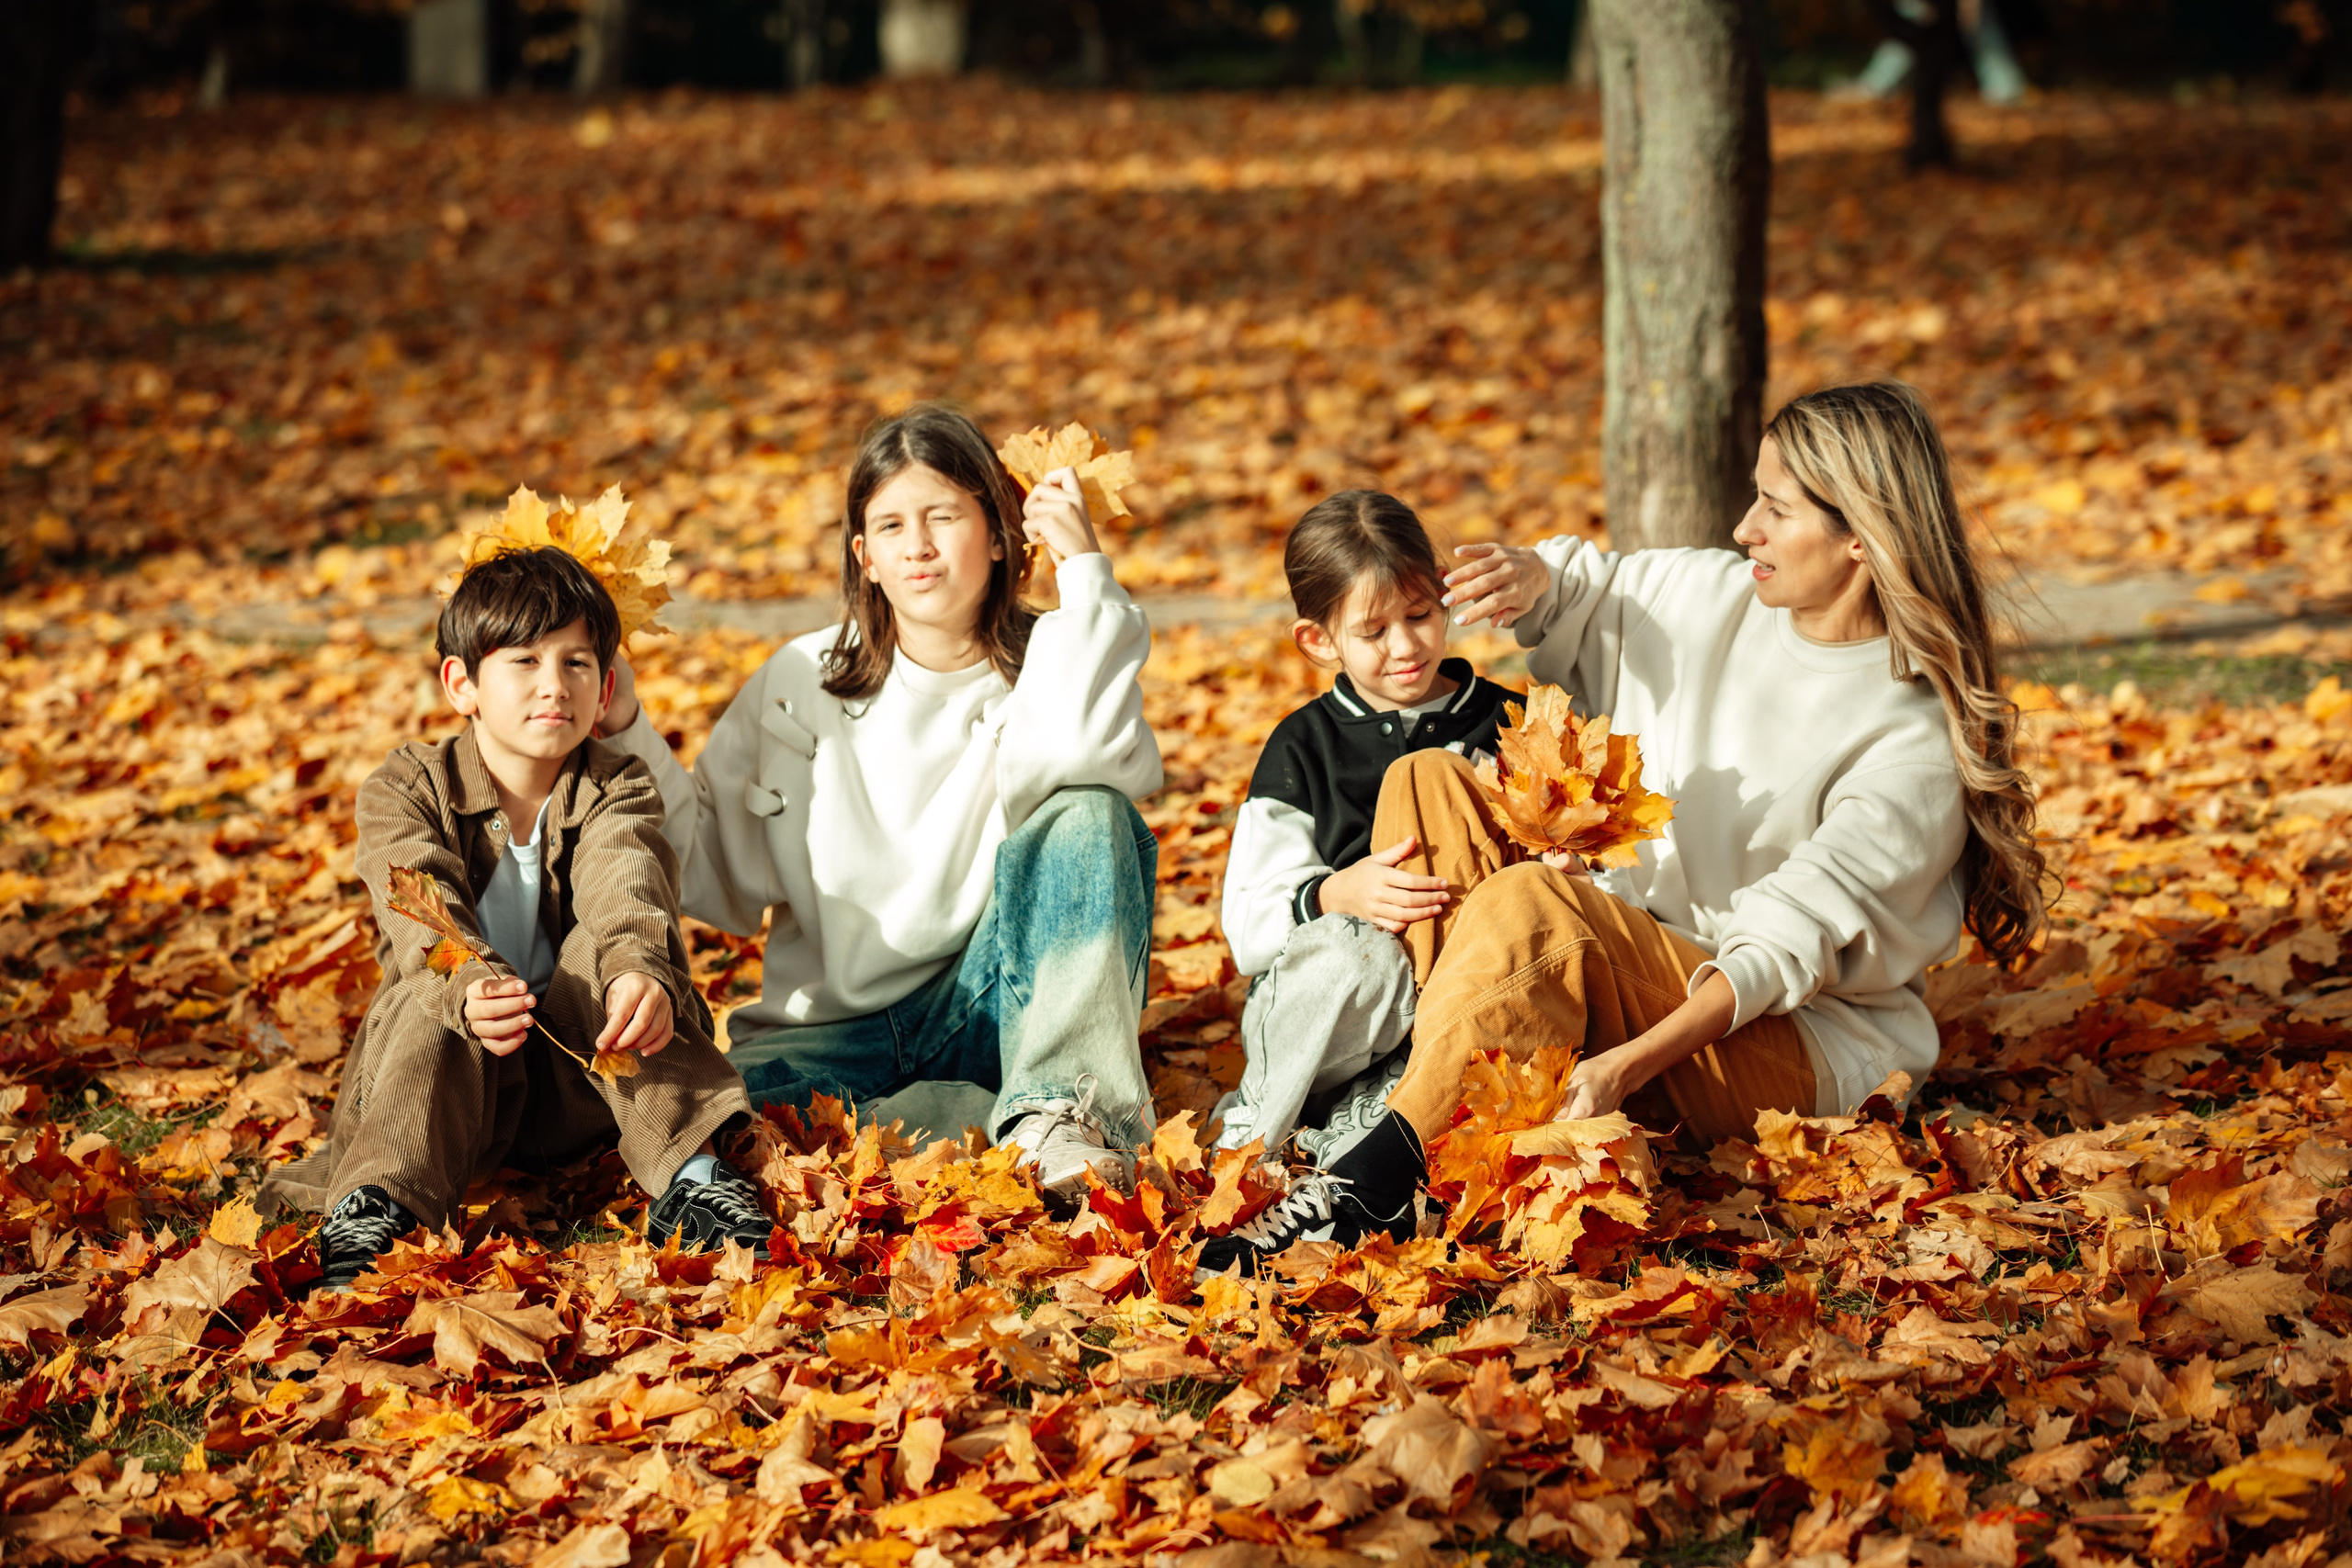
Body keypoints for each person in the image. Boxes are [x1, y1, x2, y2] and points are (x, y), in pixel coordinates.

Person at [1200, 382, 2048, 1275]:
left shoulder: (1902, 736)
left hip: (1789, 1040)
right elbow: (1585, 588)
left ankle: (1371, 1186)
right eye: (1753, 497)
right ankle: (1433, 1091)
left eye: (1775, 508)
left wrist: (1621, 1070)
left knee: (1534, 906)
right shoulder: (1723, 596)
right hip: (1642, 953)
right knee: (1426, 781)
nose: (1744, 529)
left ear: (1858, 537)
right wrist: (1531, 580)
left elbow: (1774, 954)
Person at [595, 404, 1163, 1202]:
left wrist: (1085, 575)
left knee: (1092, 814)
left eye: (944, 517)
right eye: (891, 525)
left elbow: (1094, 754)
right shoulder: (802, 681)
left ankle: (1056, 1113)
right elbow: (709, 865)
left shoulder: (1049, 669)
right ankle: (964, 1120)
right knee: (712, 1120)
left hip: (991, 1009)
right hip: (826, 1042)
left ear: (1000, 535)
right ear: (864, 556)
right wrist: (625, 728)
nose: (919, 546)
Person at [264, 547, 765, 1291]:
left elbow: (627, 881)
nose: (552, 686)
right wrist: (467, 981)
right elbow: (417, 907)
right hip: (446, 1087)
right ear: (461, 683)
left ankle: (693, 1178)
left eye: (576, 663)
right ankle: (379, 1208)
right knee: (423, 988)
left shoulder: (617, 783)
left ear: (604, 693)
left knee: (614, 955)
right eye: (524, 661)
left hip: (588, 1080)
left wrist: (637, 969)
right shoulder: (407, 786)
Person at [1215, 491, 1517, 1159]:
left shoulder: (1509, 724)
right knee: (1361, 959)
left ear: (1444, 599)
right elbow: (1248, 926)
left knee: (1476, 994)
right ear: (1319, 640)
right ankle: (1258, 1122)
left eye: (1421, 615)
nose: (1407, 646)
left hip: (1461, 996)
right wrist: (1330, 895)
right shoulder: (1304, 745)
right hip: (1337, 1011)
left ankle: (1369, 1124)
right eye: (1374, 632)